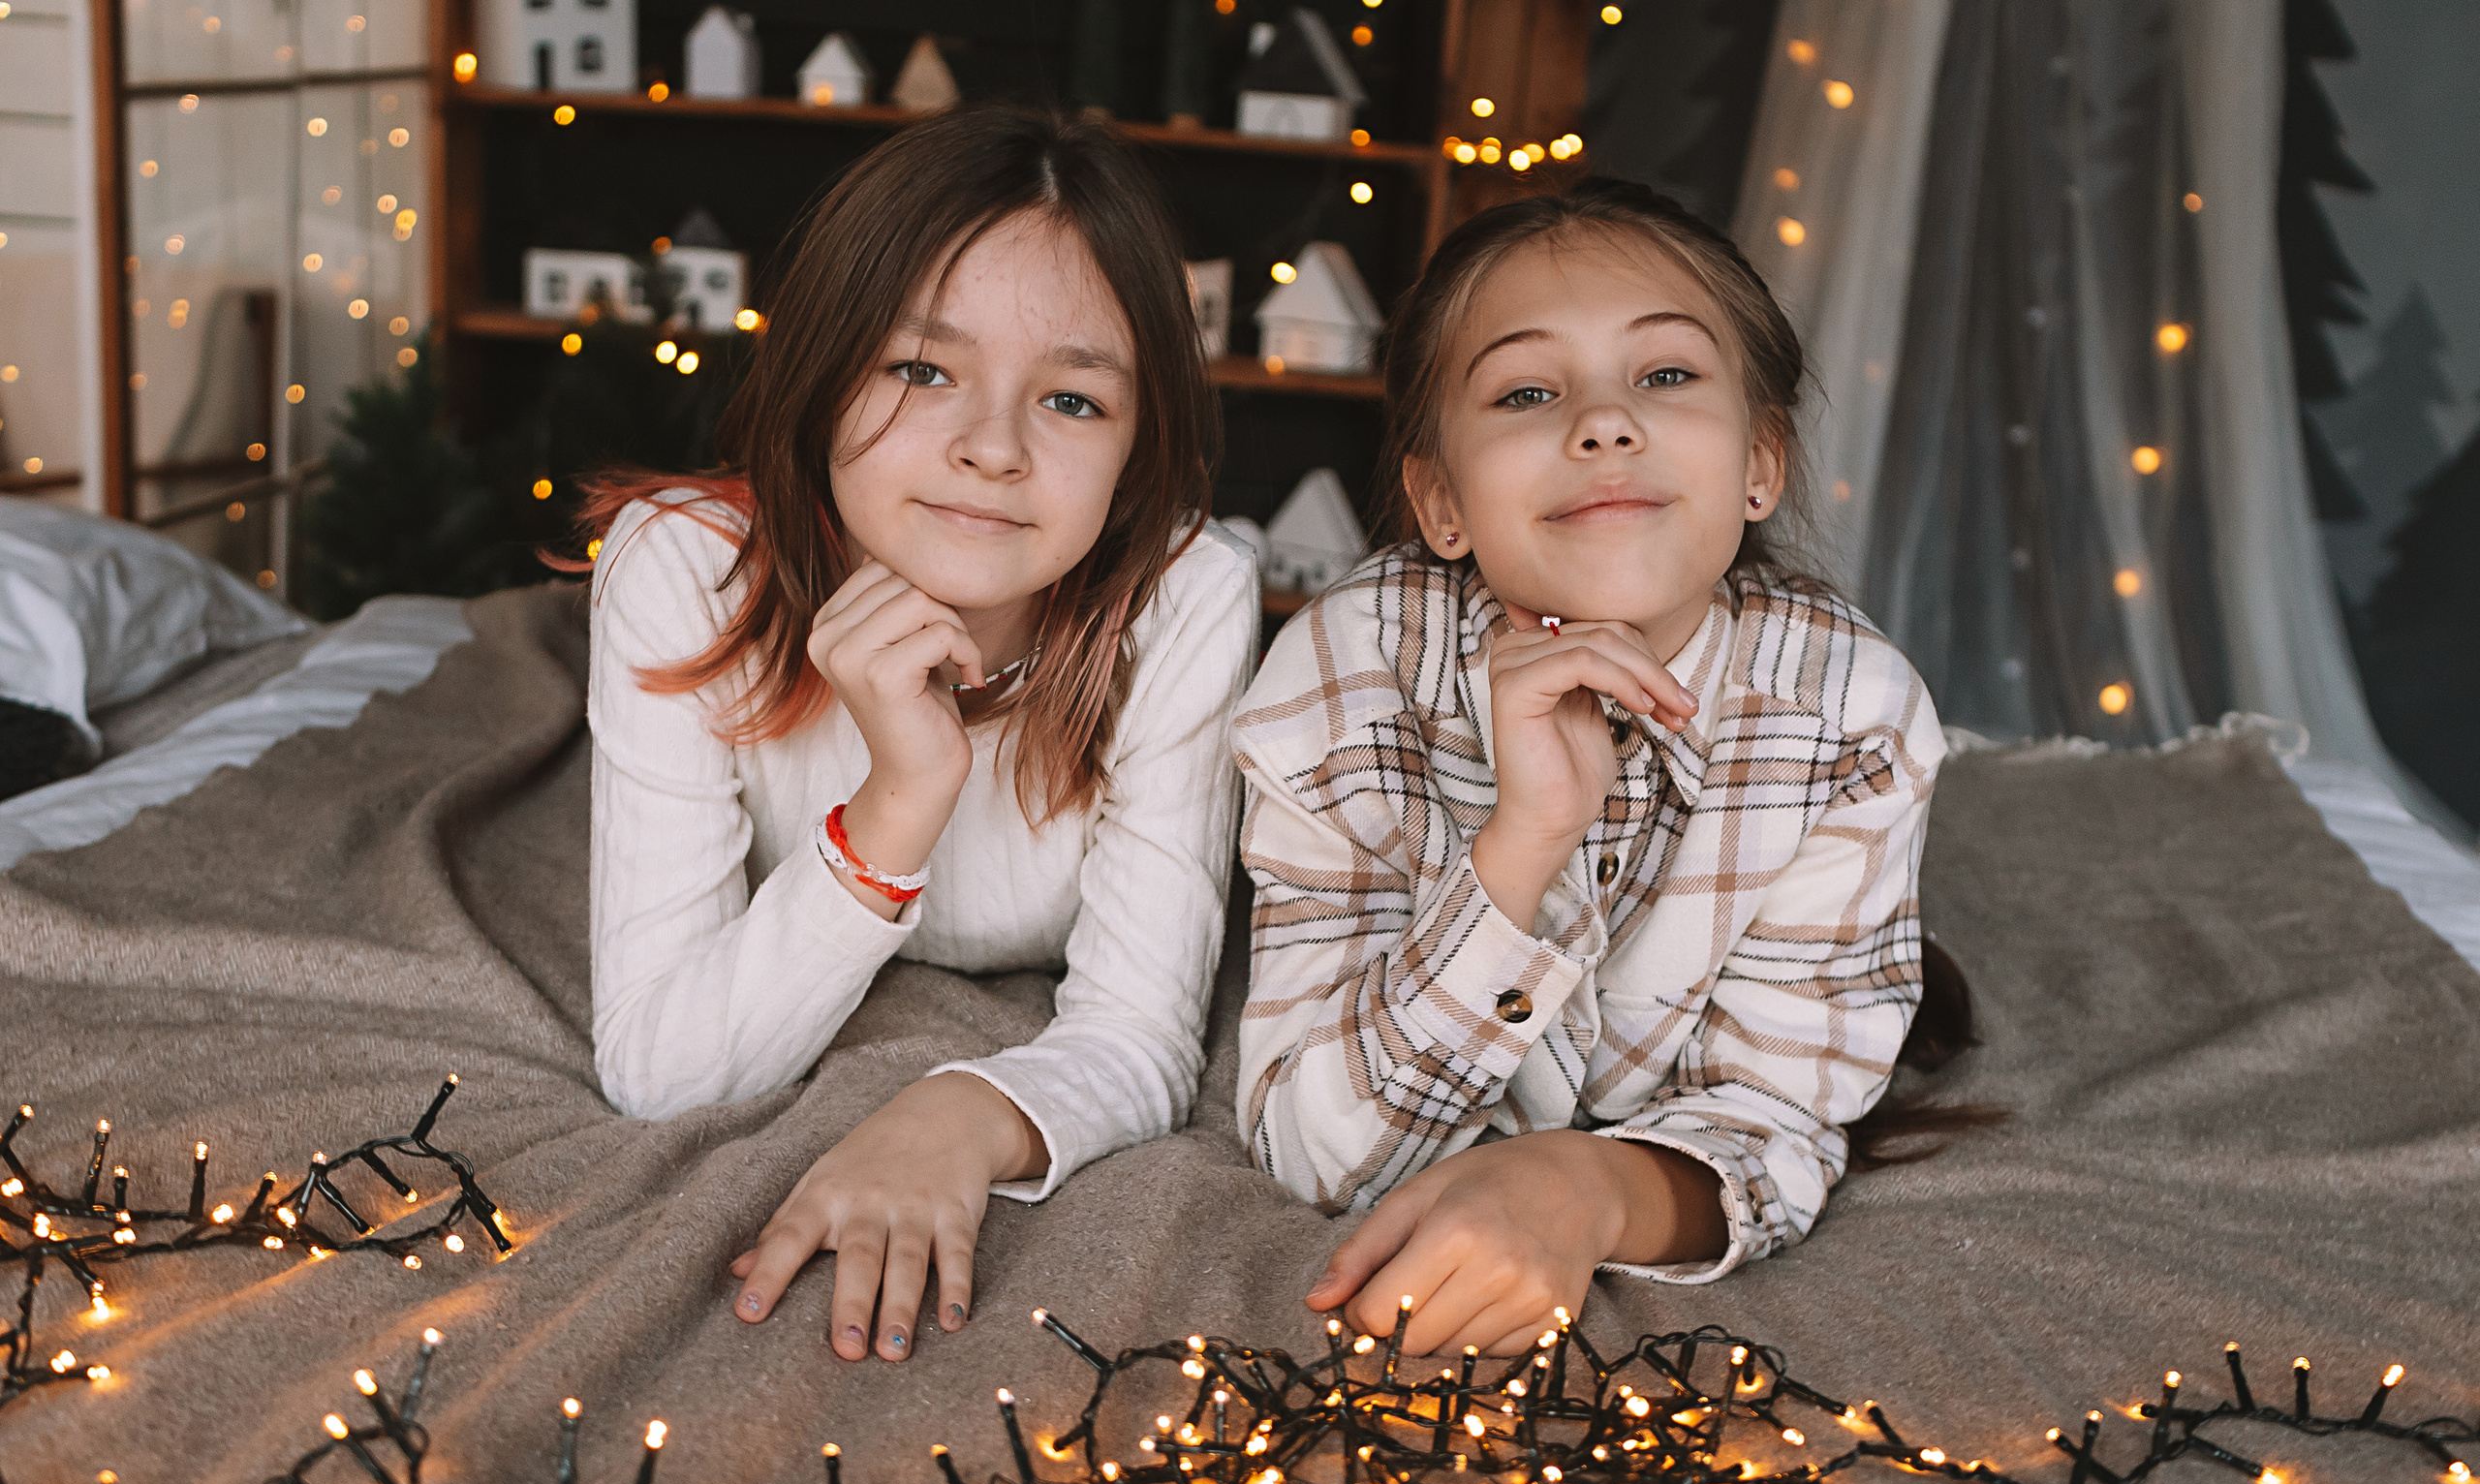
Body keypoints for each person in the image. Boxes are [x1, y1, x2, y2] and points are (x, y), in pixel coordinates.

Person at [1231, 179, 1970, 1359]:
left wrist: (1580, 1190)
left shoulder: (1852, 717)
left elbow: (1772, 1125)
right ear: (1442, 501)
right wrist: (1522, 843)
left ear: (1759, 465)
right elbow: (1310, 1145)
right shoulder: (1344, 668)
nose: (1604, 422)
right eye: (1527, 391)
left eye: (1666, 376)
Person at [580, 106, 1256, 1363]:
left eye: (1070, 398)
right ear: (821, 371)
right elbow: (661, 1071)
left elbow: (1143, 1027)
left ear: (1136, 446)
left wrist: (956, 1115)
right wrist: (899, 798)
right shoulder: (678, 566)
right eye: (920, 369)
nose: (991, 448)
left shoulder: (1188, 599)